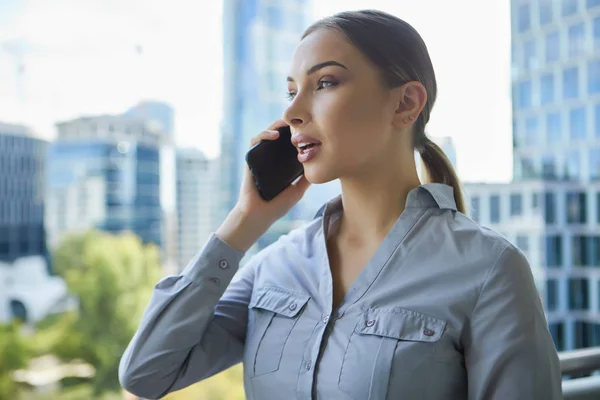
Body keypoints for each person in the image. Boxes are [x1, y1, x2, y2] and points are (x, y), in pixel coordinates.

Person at [119, 9, 562, 400]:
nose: (293, 111)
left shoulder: (489, 270)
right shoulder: (272, 267)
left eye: (324, 82)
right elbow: (146, 374)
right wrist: (242, 224)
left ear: (406, 102)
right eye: (291, 90)